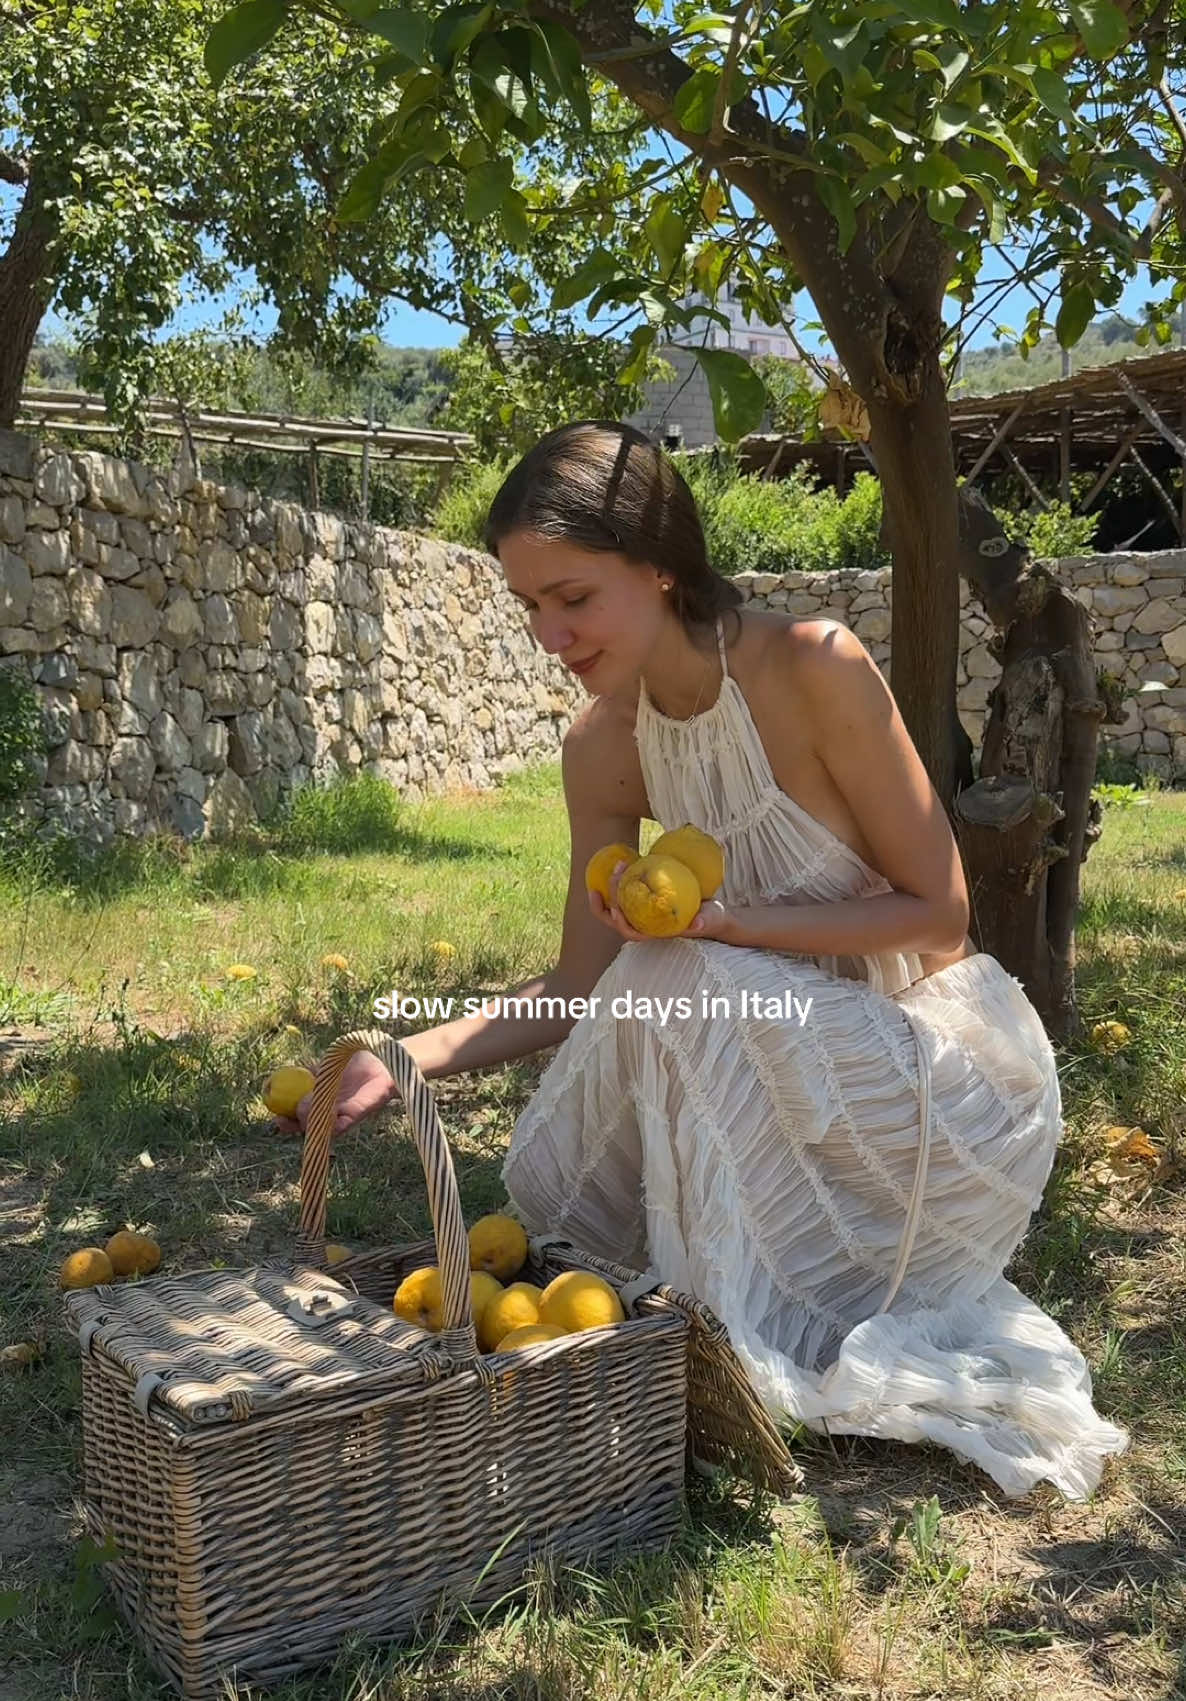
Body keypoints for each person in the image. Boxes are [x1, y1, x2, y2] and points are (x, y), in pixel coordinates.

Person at [278, 420, 1129, 1502]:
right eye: (528, 606)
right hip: (758, 1090)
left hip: (916, 1085)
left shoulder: (811, 667)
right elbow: (584, 987)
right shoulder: (600, 747)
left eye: (572, 597)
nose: (549, 633)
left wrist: (731, 924)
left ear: (662, 564)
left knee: (678, 968)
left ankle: (729, 1342)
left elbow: (938, 912)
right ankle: (691, 1332)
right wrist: (405, 1056)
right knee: (661, 977)